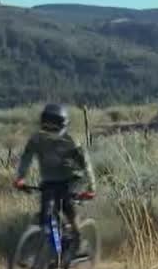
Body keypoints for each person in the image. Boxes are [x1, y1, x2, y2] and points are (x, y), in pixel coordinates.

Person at [13, 103, 96, 259]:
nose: (50, 130)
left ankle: (80, 241)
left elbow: (86, 164)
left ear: (62, 125)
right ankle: (48, 261)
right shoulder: (36, 139)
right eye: (47, 126)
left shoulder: (71, 141)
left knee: (68, 206)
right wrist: (20, 178)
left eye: (53, 127)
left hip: (72, 179)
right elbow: (26, 158)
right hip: (50, 180)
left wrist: (91, 187)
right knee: (46, 215)